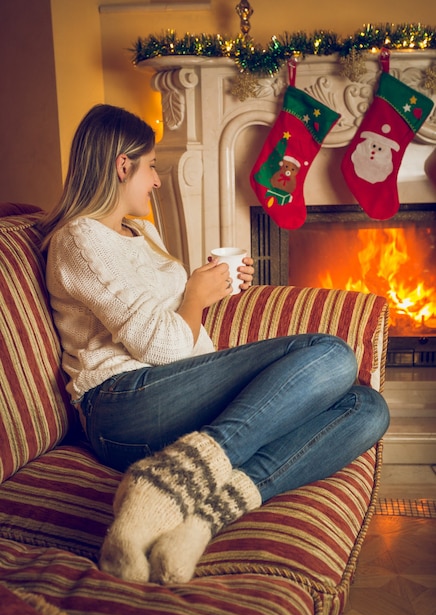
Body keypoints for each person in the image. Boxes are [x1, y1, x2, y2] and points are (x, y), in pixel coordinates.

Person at [39, 103, 390, 586]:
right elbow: (160, 345)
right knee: (332, 354)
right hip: (121, 405)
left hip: (171, 391)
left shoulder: (139, 231)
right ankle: (157, 492)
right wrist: (195, 298)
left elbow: (168, 323)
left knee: (368, 408)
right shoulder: (80, 239)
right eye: (151, 167)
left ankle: (200, 517)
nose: (157, 180)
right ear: (123, 165)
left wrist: (215, 287)